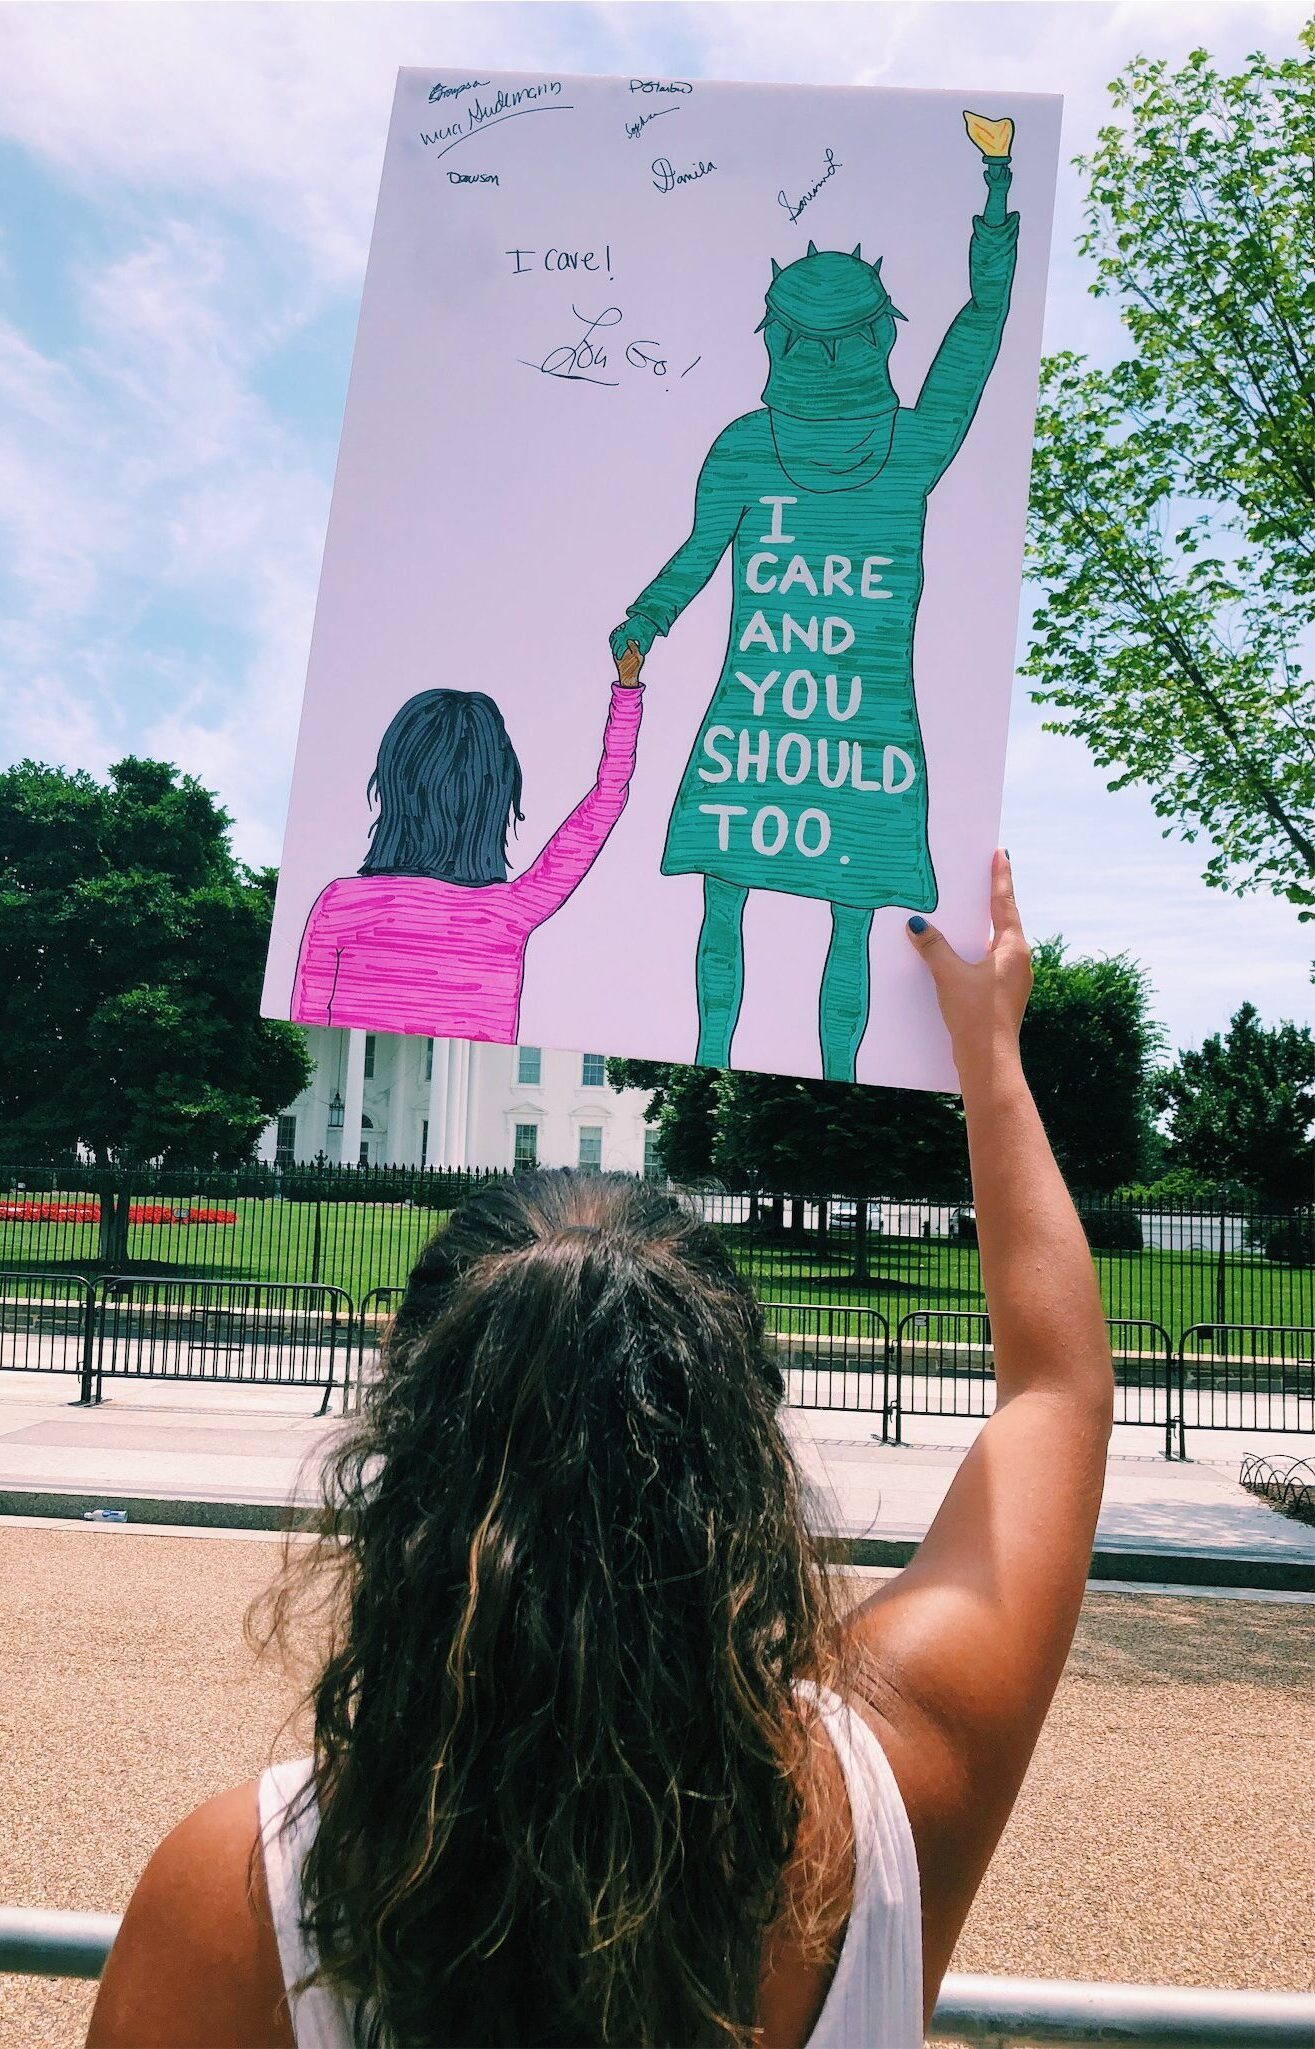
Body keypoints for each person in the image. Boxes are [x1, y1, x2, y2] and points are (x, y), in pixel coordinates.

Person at [88, 851, 1114, 2049]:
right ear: (742, 1441)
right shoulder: (894, 1779)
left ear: (403, 1438)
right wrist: (987, 1050)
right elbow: (1057, 1393)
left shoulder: (235, 1895)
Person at [609, 113, 1019, 1082]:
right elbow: (697, 555)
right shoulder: (791, 449)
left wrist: (998, 185)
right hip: (779, 719)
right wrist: (646, 619)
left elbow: (980, 331)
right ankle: (716, 1069)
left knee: (819, 924)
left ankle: (819, 1077)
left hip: (832, 728)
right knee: (761, 912)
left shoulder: (878, 448)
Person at [290, 639, 645, 1041]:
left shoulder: (338, 904)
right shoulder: (511, 910)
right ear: (496, 793)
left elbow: (307, 1026)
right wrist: (627, 690)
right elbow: (608, 795)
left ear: (394, 781)